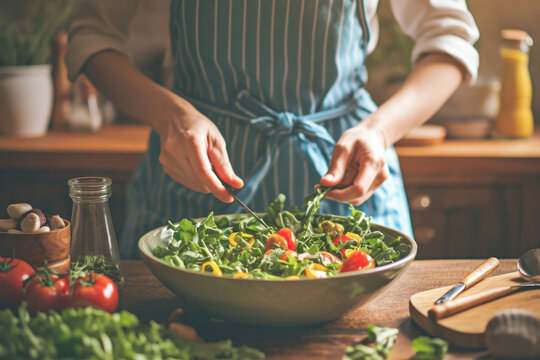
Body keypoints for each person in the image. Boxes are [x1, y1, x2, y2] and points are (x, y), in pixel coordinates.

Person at [66, 0, 479, 259]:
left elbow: (451, 40)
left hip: (347, 168)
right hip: (194, 171)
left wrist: (380, 131)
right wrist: (169, 116)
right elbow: (91, 36)